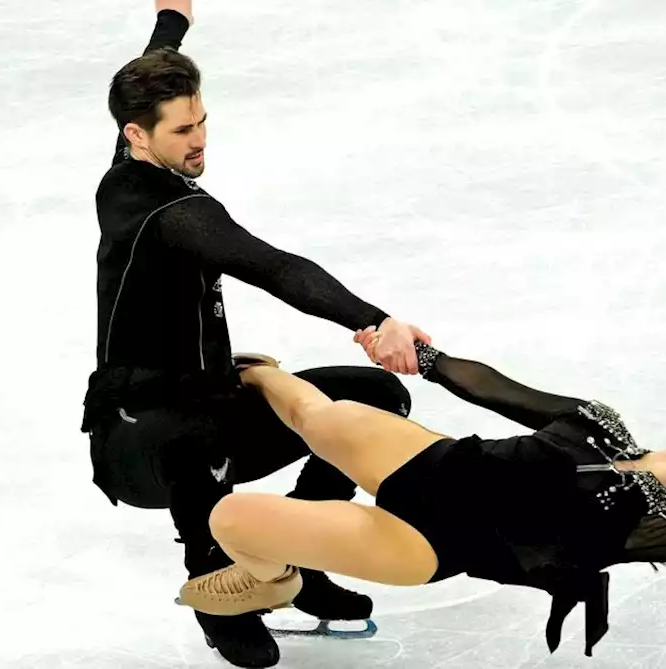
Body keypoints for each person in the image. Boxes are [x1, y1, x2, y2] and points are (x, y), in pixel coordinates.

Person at [81, 3, 431, 667]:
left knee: (371, 400)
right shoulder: (176, 214)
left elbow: (147, 75)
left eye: (203, 120)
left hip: (207, 398)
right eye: (184, 129)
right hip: (138, 440)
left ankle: (304, 544)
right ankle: (219, 585)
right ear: (139, 134)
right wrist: (372, 318)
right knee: (196, 429)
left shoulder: (133, 154)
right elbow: (274, 267)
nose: (200, 139)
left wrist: (170, 22)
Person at [174, 341, 666, 656]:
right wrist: (421, 357)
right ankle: (255, 368)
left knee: (230, 517)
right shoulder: (599, 422)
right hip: (429, 463)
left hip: (426, 546)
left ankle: (273, 581)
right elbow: (501, 391)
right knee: (314, 413)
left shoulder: (646, 528)